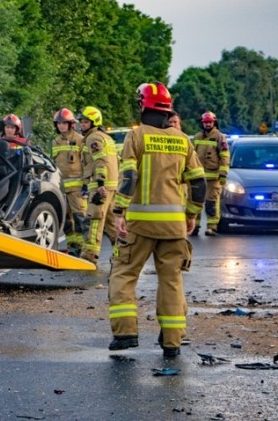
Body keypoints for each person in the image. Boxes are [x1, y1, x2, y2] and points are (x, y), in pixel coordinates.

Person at [108, 82, 206, 358]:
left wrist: (119, 211)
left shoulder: (137, 135)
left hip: (140, 224)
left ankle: (125, 334)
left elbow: (129, 177)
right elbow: (199, 183)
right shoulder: (183, 140)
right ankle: (172, 342)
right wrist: (191, 214)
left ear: (143, 105)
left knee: (124, 273)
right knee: (171, 280)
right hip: (174, 227)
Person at [78, 106, 118, 264]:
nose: (82, 124)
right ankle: (121, 255)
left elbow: (100, 161)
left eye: (85, 122)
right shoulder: (106, 137)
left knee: (94, 221)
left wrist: (100, 183)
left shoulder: (93, 138)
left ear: (94, 122)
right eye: (81, 121)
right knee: (112, 224)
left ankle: (89, 255)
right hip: (112, 186)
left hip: (100, 185)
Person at [51, 108, 86, 256]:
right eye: (59, 123)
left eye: (64, 123)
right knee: (66, 221)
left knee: (80, 218)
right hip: (61, 188)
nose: (61, 126)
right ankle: (73, 249)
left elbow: (86, 163)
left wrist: (86, 184)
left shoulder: (80, 140)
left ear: (71, 124)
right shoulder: (55, 142)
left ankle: (84, 250)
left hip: (77, 189)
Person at [193, 111, 230, 236]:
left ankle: (212, 227)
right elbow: (192, 156)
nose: (207, 124)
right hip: (198, 176)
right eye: (205, 122)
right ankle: (194, 226)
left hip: (213, 178)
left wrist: (223, 173)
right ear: (202, 123)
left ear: (214, 122)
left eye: (210, 122)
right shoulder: (197, 137)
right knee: (195, 202)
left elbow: (224, 156)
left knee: (211, 202)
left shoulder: (219, 137)